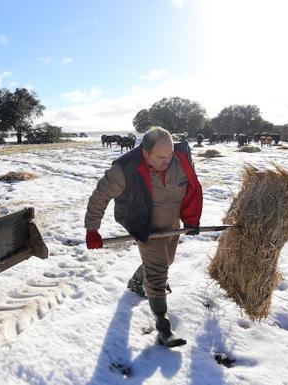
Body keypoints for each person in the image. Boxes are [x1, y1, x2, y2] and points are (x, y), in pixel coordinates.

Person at [84, 127, 203, 348]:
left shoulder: (180, 160)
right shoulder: (125, 169)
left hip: (172, 226)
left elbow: (192, 190)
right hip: (146, 226)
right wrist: (92, 230)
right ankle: (164, 329)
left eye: (170, 155)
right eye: (161, 157)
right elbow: (100, 196)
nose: (168, 160)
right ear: (145, 152)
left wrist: (191, 221)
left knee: (167, 261)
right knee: (158, 274)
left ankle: (137, 282)